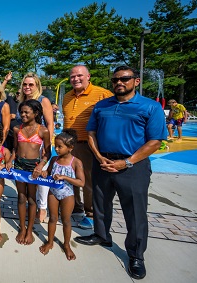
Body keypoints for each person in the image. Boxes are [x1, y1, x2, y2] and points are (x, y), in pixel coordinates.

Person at [75, 66, 167, 280]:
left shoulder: (150, 107)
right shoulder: (102, 106)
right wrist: (99, 158)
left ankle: (136, 255)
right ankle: (101, 235)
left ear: (136, 81)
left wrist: (126, 162)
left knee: (135, 210)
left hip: (133, 166)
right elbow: (91, 133)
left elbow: (155, 142)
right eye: (115, 79)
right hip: (103, 161)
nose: (119, 82)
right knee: (100, 202)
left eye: (124, 79)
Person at [63, 65, 113, 230]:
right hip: (69, 144)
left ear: (88, 76)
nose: (75, 79)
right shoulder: (67, 96)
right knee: (70, 176)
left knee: (88, 181)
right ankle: (76, 207)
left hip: (88, 144)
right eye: (72, 76)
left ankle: (91, 214)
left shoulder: (102, 94)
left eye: (79, 75)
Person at [39, 129, 85, 260]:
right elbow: (48, 172)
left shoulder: (76, 162)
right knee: (53, 218)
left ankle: (66, 245)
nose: (57, 149)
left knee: (66, 221)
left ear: (70, 148)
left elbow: (81, 182)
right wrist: (44, 173)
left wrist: (65, 177)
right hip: (53, 192)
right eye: (56, 146)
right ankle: (50, 241)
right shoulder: (54, 159)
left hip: (67, 194)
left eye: (60, 146)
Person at [16, 73, 54, 223]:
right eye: (25, 84)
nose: (27, 87)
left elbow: (50, 123)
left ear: (37, 86)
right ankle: (29, 206)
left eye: (31, 84)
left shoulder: (42, 100)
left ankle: (42, 207)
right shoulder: (22, 101)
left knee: (40, 175)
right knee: (28, 178)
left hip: (40, 140)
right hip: (25, 143)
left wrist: (47, 144)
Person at [12, 99, 51, 245]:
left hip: (33, 167)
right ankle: (22, 228)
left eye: (26, 112)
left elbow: (48, 152)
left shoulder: (43, 130)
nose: (23, 114)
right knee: (21, 197)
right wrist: (10, 160)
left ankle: (30, 230)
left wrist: (41, 165)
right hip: (19, 166)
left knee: (32, 198)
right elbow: (15, 148)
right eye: (21, 112)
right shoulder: (17, 129)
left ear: (35, 113)